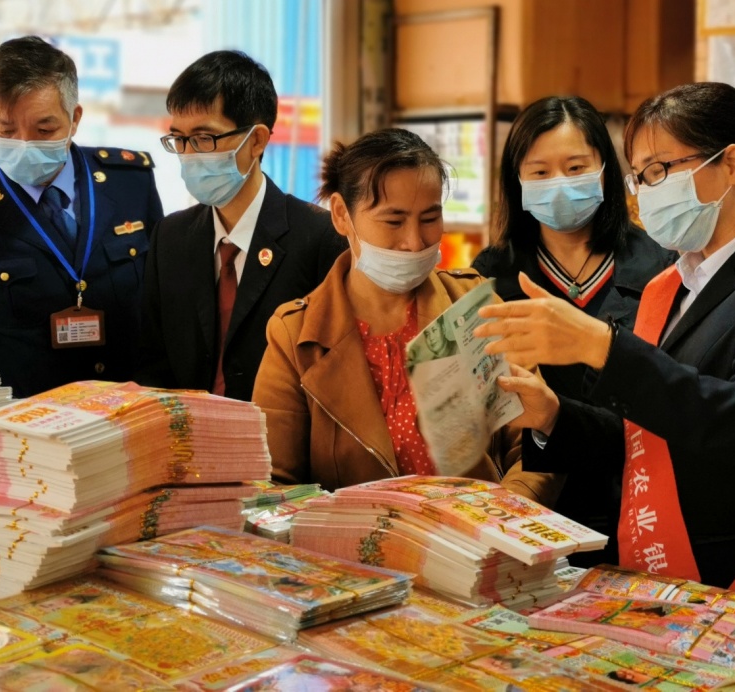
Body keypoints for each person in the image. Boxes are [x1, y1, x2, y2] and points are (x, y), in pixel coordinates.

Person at [477, 82, 735, 640]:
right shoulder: (677, 281)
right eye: (641, 176)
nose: (646, 192)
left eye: (659, 170)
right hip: (663, 583)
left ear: (730, 164)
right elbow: (649, 433)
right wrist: (555, 417)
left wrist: (601, 347)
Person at [252, 127, 557, 503]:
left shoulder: (474, 306)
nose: (414, 241)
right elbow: (274, 486)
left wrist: (504, 516)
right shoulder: (295, 336)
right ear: (341, 215)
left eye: (430, 218)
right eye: (393, 222)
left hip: (477, 548)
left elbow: (531, 448)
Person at [472, 96, 673, 562]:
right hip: (535, 514)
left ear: (604, 168)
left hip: (639, 506)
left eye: (575, 166)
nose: (557, 184)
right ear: (516, 181)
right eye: (539, 172)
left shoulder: (659, 267)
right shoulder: (493, 275)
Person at [0, 36, 163, 397]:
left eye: (44, 130)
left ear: (75, 119)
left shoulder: (130, 183)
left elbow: (158, 307)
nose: (24, 143)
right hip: (23, 428)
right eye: (6, 130)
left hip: (127, 409)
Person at [135, 50, 346, 401]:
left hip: (280, 445)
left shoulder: (319, 236)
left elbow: (333, 371)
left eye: (205, 138)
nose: (189, 154)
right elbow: (152, 362)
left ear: (257, 140)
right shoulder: (170, 236)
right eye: (179, 139)